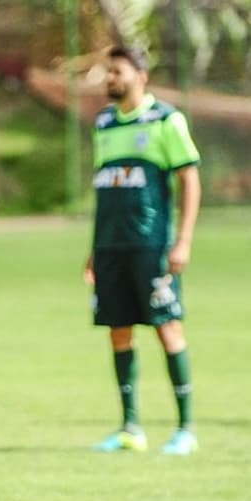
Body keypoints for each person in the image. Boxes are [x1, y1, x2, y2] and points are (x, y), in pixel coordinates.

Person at [84, 46, 201, 455]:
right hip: (111, 248)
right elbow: (104, 191)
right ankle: (130, 427)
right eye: (108, 72)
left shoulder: (166, 120)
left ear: (141, 76)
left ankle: (186, 428)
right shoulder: (103, 124)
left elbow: (189, 180)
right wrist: (93, 250)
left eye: (117, 71)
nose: (109, 79)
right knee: (118, 330)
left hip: (152, 247)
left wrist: (182, 240)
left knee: (167, 328)